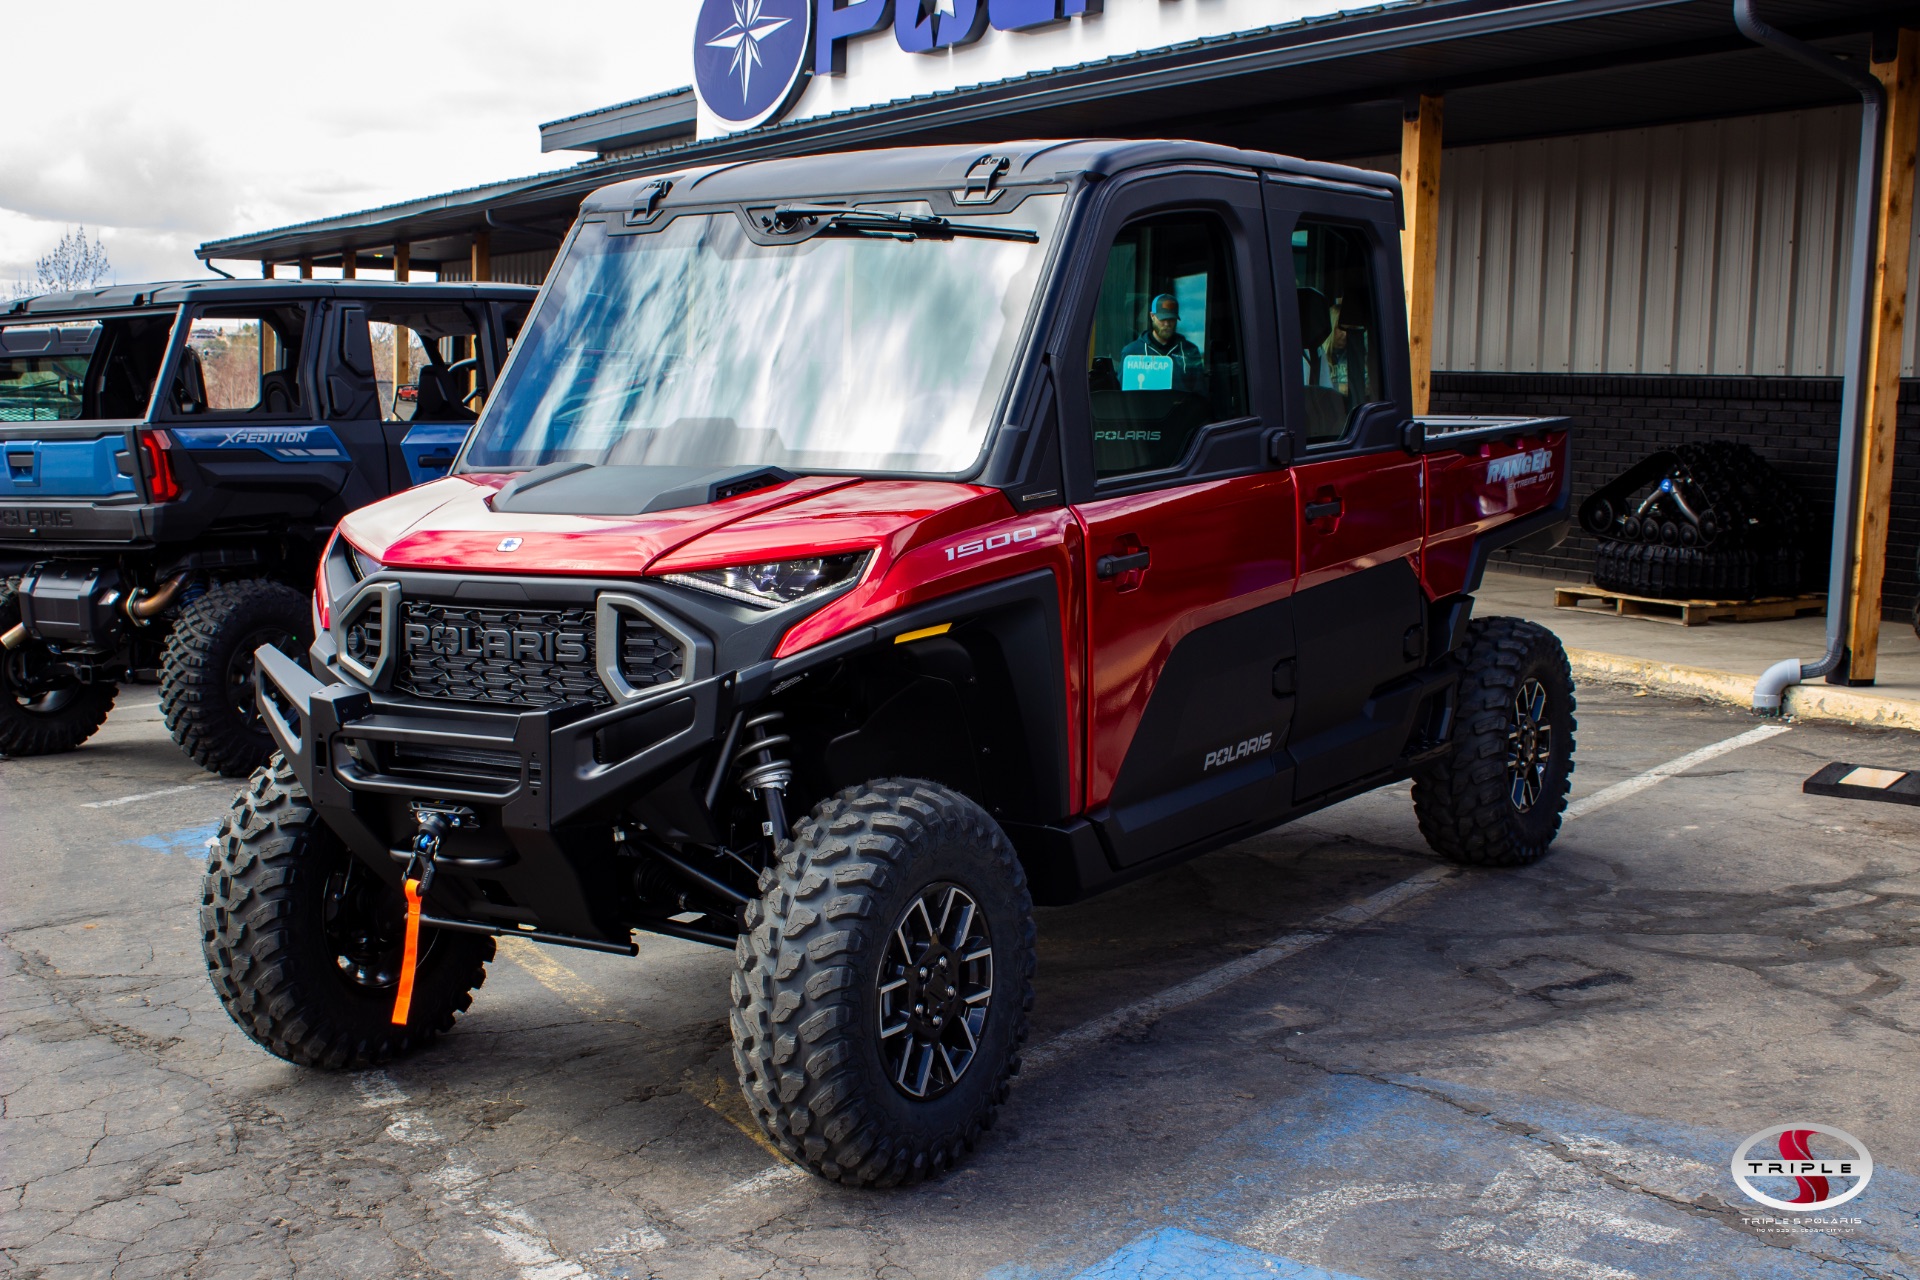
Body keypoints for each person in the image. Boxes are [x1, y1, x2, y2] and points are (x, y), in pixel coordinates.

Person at [1119, 293, 1206, 395]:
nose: (1167, 324)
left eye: (1171, 319)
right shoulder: (1132, 352)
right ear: (1152, 316)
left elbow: (1200, 395)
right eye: (1163, 319)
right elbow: (1122, 395)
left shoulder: (1189, 352)